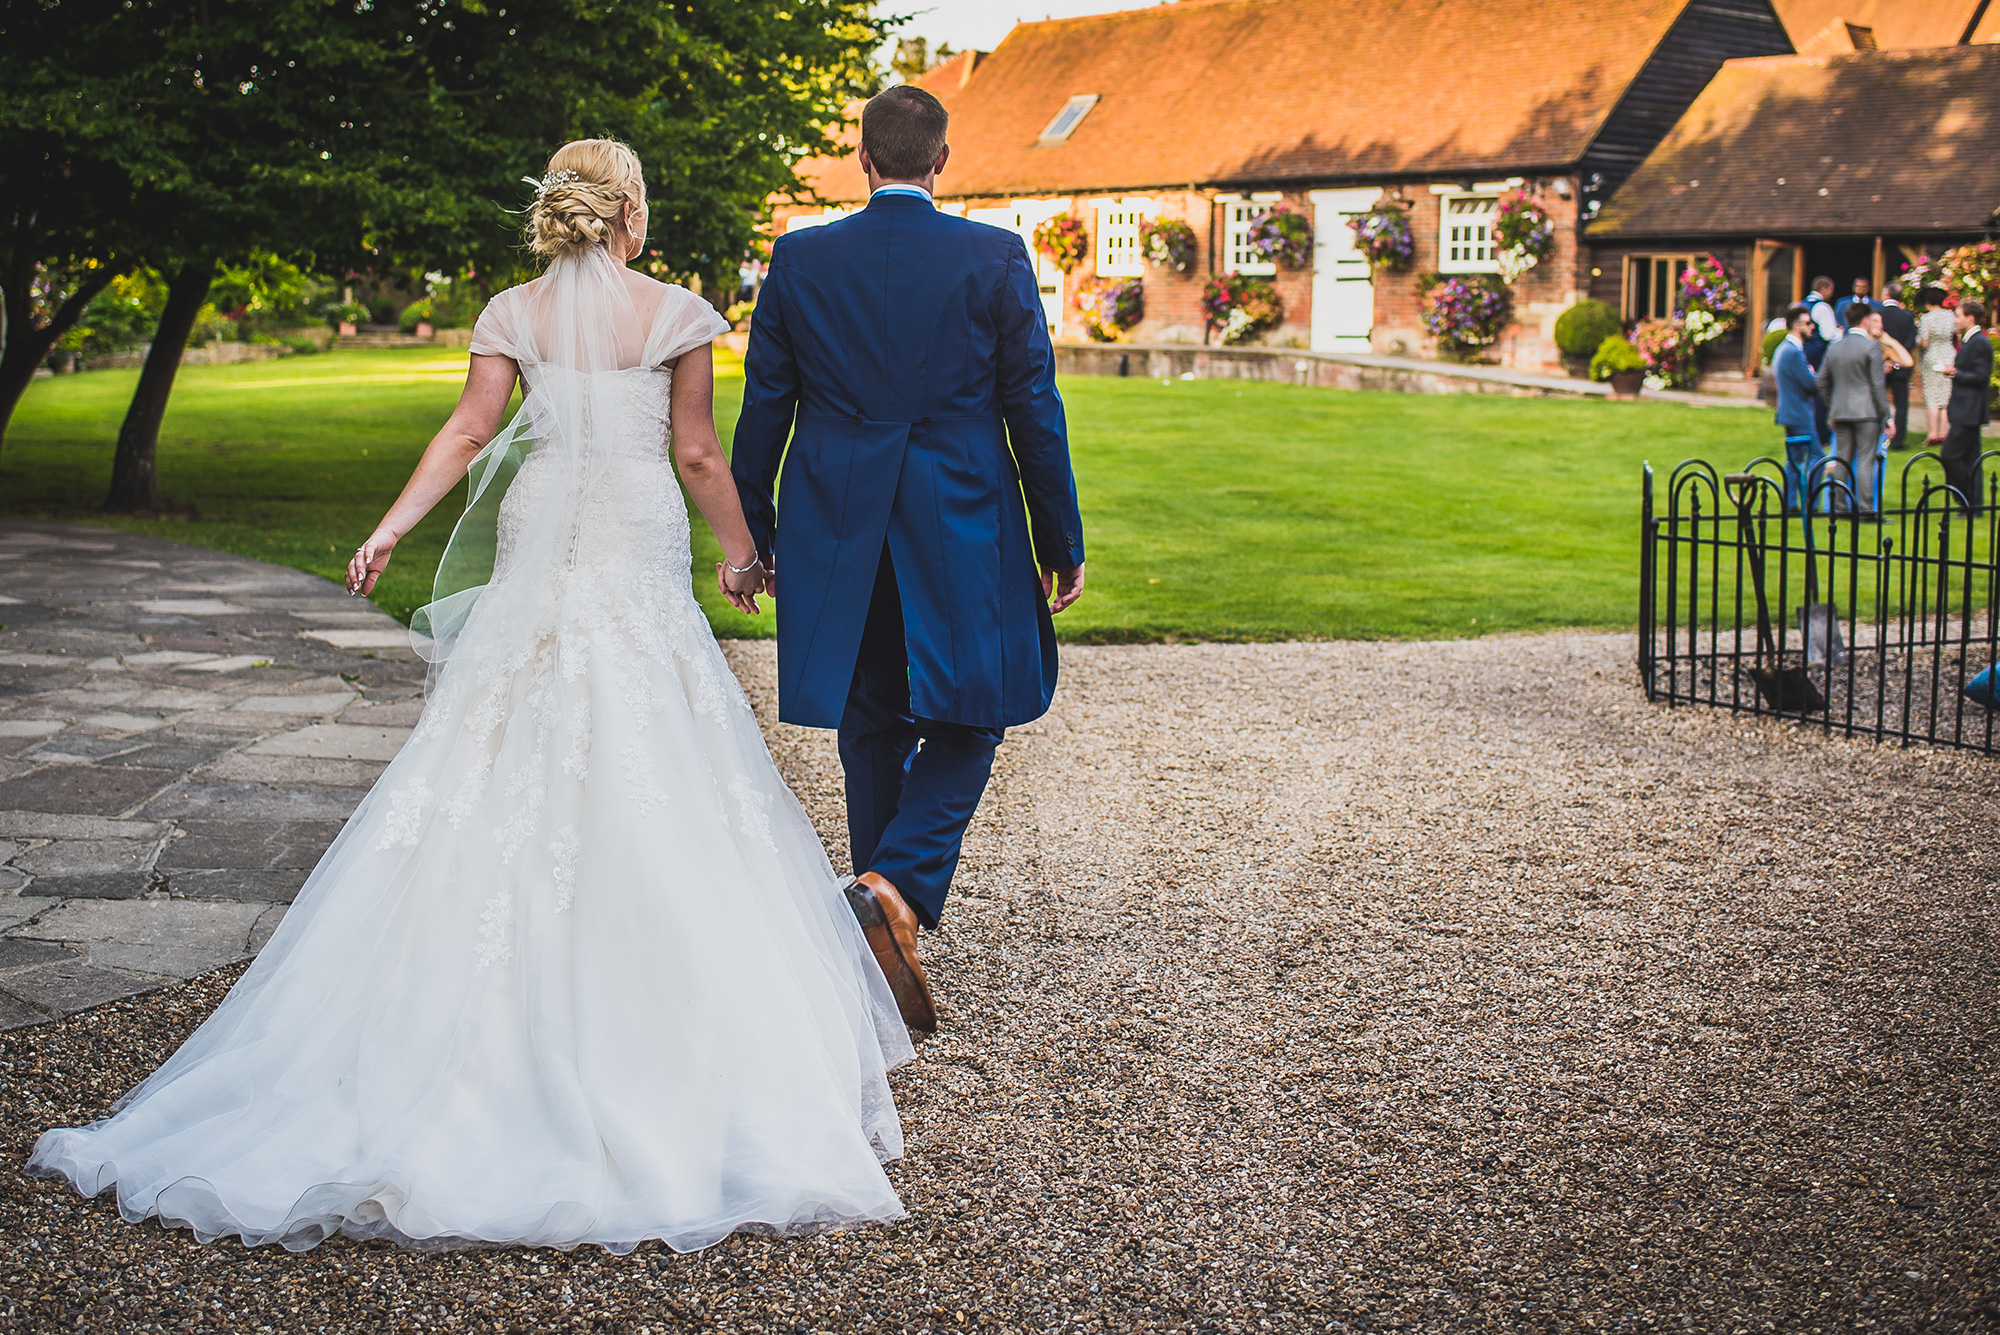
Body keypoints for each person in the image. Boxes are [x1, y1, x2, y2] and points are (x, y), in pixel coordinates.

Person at [29, 139, 917, 1252]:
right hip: (629, 533)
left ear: (559, 213)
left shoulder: (510, 311)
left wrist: (390, 528)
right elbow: (695, 454)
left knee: (494, 736)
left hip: (542, 528)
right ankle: (684, 1057)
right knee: (657, 737)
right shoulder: (680, 313)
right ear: (632, 211)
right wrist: (746, 554)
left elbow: (466, 432)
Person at [733, 84, 1085, 1035]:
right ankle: (895, 887)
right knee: (987, 698)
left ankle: (878, 920)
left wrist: (754, 534)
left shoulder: (800, 258)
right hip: (959, 514)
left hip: (835, 518)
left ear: (861, 157)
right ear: (942, 160)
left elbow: (766, 403)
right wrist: (1061, 539)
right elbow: (1034, 409)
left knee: (873, 715)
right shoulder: (994, 254)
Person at [1817, 305, 1891, 515]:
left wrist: (1832, 405)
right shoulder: (1870, 347)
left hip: (1840, 412)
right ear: (1866, 320)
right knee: (1865, 461)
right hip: (1867, 412)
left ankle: (1839, 508)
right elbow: (1878, 385)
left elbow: (1821, 381)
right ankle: (1866, 509)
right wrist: (1886, 415)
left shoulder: (1835, 347)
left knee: (1842, 460)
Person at [1940, 299, 1993, 511]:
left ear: (1970, 318)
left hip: (1969, 410)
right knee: (1971, 457)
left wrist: (1954, 372)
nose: (1955, 319)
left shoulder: (1979, 342)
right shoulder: (1970, 341)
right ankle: (1974, 505)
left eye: (1958, 315)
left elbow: (1981, 376)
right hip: (1966, 408)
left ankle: (1965, 496)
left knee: (1950, 455)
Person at [1772, 304, 1824, 513]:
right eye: (1807, 323)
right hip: (1799, 412)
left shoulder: (1784, 349)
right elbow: (1811, 384)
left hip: (1789, 411)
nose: (1812, 327)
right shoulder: (1792, 352)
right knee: (1817, 456)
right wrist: (1814, 374)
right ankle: (1810, 503)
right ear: (1796, 326)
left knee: (1793, 460)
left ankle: (1790, 502)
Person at [1879, 281, 1918, 450]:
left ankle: (1880, 435)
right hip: (1901, 366)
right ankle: (1898, 440)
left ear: (1886, 294)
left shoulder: (1877, 313)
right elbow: (1911, 341)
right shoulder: (1907, 316)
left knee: (1878, 400)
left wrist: (1885, 359)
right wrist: (1897, 359)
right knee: (1901, 404)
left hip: (1880, 366)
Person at [1916, 287, 1959, 444]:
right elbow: (1956, 335)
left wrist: (1919, 342)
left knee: (1932, 397)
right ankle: (1944, 433)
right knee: (1945, 397)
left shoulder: (1926, 318)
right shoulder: (1950, 316)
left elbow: (1925, 342)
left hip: (1932, 356)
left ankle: (1932, 434)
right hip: (1948, 354)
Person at [1804, 275, 1840, 451]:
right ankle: (1821, 432)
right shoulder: (1823, 307)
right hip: (1819, 354)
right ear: (1824, 289)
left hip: (1805, 353)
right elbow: (1827, 334)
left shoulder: (1803, 304)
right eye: (1831, 290)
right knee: (1821, 391)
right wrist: (1839, 332)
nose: (1831, 294)